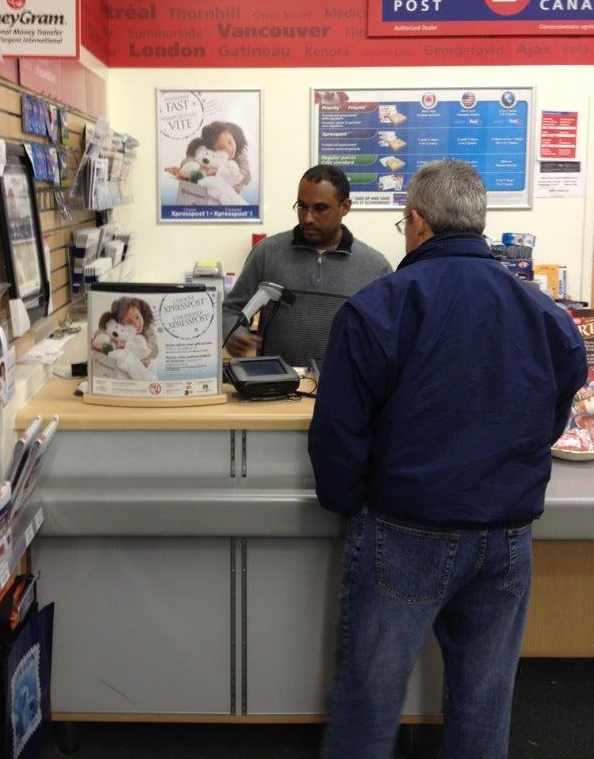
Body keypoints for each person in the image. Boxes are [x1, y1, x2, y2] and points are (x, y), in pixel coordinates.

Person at [308, 159, 587, 759]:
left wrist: (346, 502)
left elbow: (338, 429)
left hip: (404, 529)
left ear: (417, 222)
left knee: (370, 701)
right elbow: (555, 416)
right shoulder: (547, 316)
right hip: (506, 534)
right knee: (484, 701)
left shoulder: (377, 307)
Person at [222, 165, 390, 367]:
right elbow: (231, 309)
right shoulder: (266, 253)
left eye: (320, 208)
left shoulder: (376, 268)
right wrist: (235, 334)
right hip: (277, 390)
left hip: (344, 390)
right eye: (302, 206)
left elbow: (387, 337)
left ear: (345, 207)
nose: (308, 218)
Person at [200, 120, 251, 193]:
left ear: (232, 136)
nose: (229, 149)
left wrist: (223, 173)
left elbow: (248, 178)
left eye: (230, 142)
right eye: (221, 148)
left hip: (232, 195)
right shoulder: (211, 158)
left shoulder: (240, 154)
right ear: (213, 150)